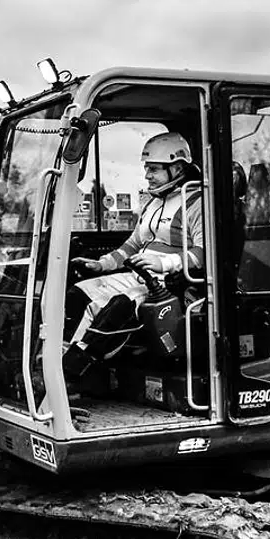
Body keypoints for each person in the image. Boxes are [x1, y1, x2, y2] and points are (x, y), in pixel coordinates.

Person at [64, 131, 205, 375]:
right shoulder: (153, 203)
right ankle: (57, 359)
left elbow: (204, 253)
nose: (147, 175)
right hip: (138, 276)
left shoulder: (196, 202)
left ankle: (73, 372)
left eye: (154, 169)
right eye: (147, 168)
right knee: (76, 294)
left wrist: (163, 263)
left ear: (178, 168)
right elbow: (132, 245)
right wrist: (103, 264)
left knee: (119, 306)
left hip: (170, 285)